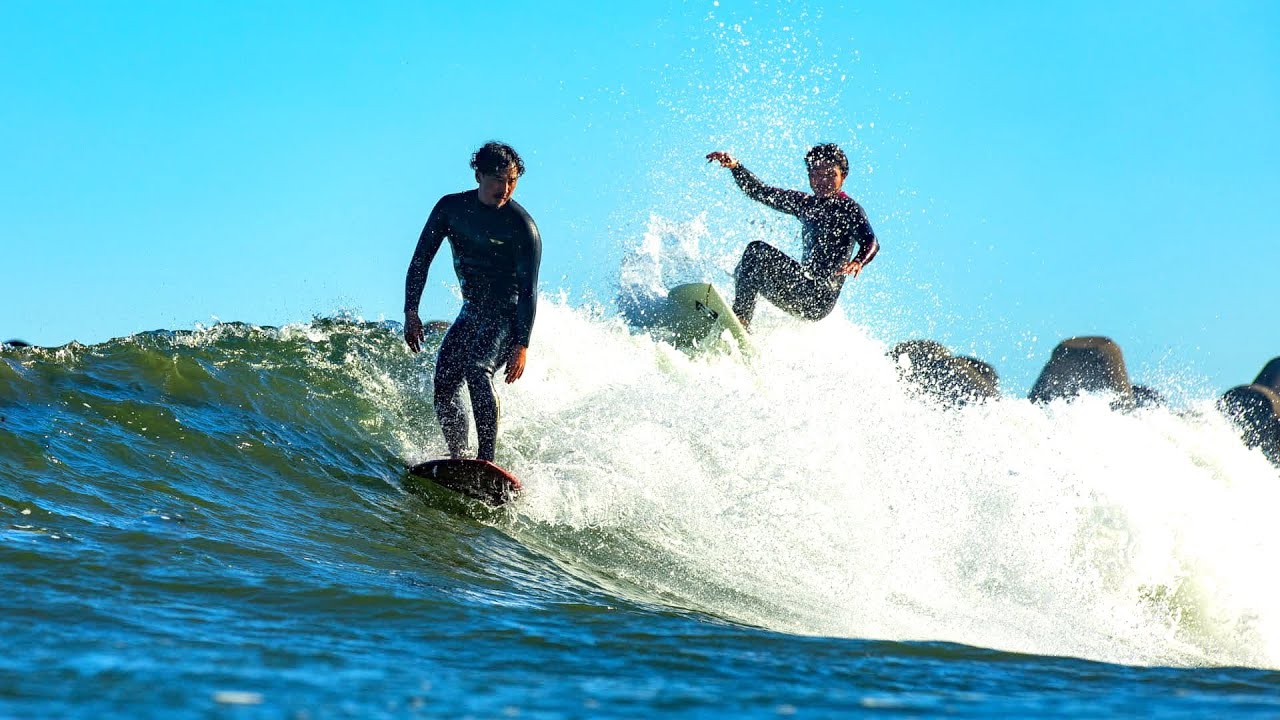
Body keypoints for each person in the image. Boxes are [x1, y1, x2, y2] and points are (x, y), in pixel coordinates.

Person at [403, 142, 541, 462]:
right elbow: (421, 260)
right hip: (473, 311)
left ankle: (485, 461)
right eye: (497, 179)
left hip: (508, 314)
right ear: (478, 175)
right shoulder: (450, 209)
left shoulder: (521, 227)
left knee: (478, 370)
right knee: (445, 383)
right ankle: (460, 456)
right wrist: (411, 312)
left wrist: (522, 344)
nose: (505, 189)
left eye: (513, 180)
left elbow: (528, 291)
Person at [705, 144, 879, 329]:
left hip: (819, 297)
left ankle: (741, 320)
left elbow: (871, 242)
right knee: (745, 268)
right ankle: (741, 320)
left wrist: (858, 261)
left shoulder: (848, 208)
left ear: (843, 176)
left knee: (756, 251)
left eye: (830, 175)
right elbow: (760, 191)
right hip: (800, 286)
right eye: (816, 174)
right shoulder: (805, 204)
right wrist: (736, 167)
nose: (822, 180)